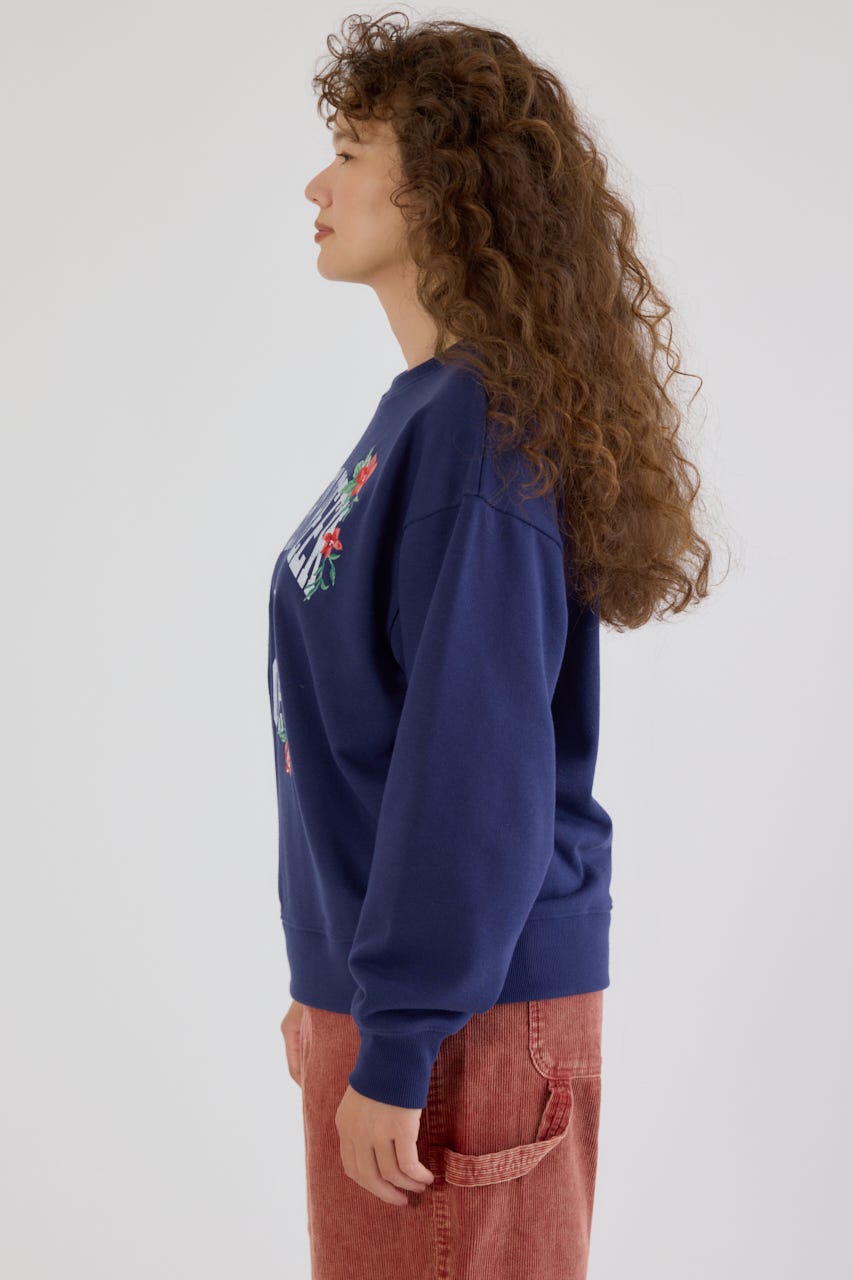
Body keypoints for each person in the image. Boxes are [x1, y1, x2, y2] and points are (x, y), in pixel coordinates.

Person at [269, 11, 719, 1278]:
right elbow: (371, 736)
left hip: (463, 1021)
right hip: (406, 1005)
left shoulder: (474, 427)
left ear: (441, 187)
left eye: (349, 153)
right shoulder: (426, 412)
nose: (315, 185)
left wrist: (400, 1030)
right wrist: (331, 986)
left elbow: (473, 766)